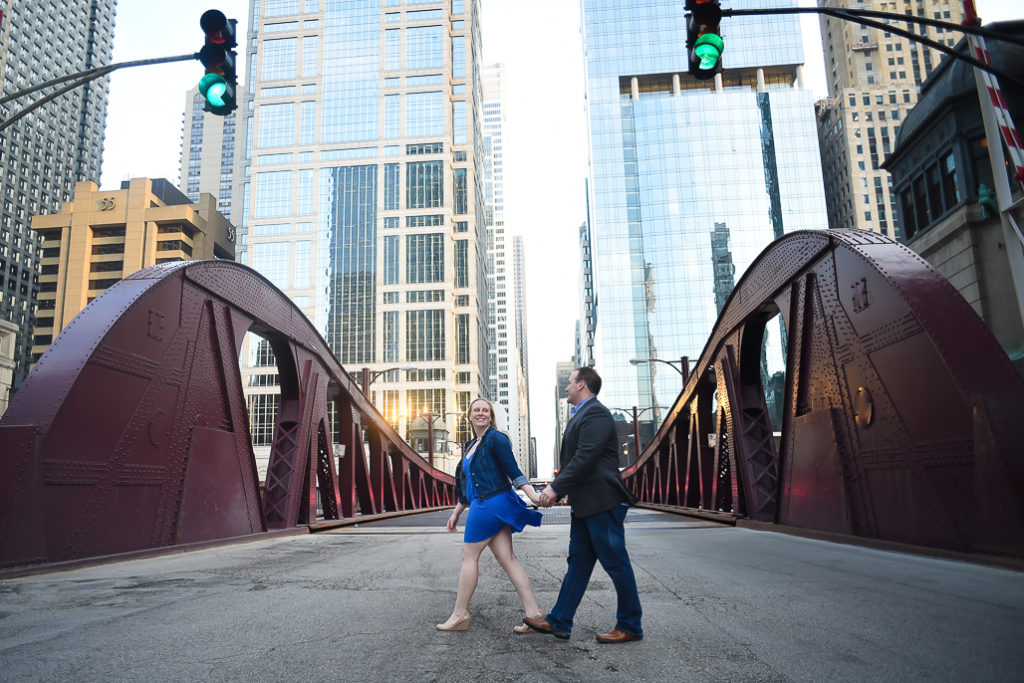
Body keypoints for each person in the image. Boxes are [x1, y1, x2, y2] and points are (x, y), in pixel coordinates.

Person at [525, 366, 644, 643]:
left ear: (582, 385)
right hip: (586, 505)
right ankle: (560, 621)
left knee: (616, 563)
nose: (566, 387)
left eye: (569, 382)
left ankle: (631, 625)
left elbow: (586, 456)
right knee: (578, 563)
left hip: (602, 502)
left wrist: (555, 488)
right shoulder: (583, 415)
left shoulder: (596, 414)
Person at [436, 397, 545, 632]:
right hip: (488, 504)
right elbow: (467, 487)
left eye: (485, 410)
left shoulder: (496, 438)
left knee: (469, 557)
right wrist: (456, 513)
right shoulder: (471, 446)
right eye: (477, 410)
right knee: (508, 559)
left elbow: (512, 470)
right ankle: (534, 613)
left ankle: (460, 614)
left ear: (490, 415)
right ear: (470, 415)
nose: (481, 413)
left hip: (488, 505)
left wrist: (533, 495)